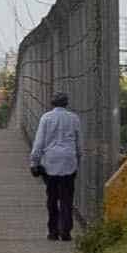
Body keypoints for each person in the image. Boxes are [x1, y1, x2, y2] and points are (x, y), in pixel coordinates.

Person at [29, 90, 85, 241]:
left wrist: (34, 162)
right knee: (67, 198)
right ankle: (66, 231)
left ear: (52, 103)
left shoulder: (46, 118)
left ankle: (53, 231)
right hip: (69, 161)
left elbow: (39, 142)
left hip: (50, 162)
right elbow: (79, 143)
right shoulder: (74, 118)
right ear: (66, 103)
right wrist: (78, 160)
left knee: (52, 198)